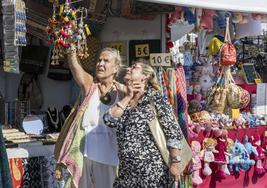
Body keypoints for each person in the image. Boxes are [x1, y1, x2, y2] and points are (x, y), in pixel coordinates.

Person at [103, 60, 184, 187]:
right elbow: (108, 120)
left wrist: (175, 162)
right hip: (127, 174)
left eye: (134, 67)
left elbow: (173, 131)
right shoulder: (124, 100)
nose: (129, 68)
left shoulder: (155, 98)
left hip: (153, 173)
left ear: (145, 76)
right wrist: (128, 96)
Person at [54, 45, 125, 188]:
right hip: (84, 156)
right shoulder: (90, 86)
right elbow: (76, 69)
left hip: (111, 159)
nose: (101, 64)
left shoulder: (123, 93)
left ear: (116, 68)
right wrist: (71, 47)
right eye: (99, 60)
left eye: (106, 61)